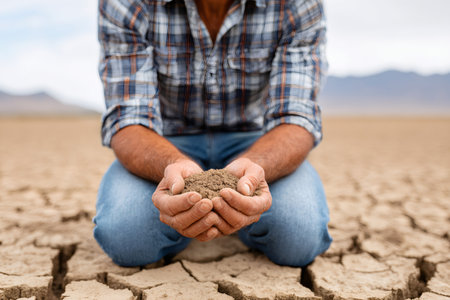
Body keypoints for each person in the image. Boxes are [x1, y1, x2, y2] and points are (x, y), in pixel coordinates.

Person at [93, 0, 332, 268]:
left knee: (298, 235)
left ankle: (234, 221)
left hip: (256, 141)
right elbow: (129, 119)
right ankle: (193, 223)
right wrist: (172, 165)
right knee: (127, 236)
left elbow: (296, 116)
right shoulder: (127, 3)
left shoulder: (296, 4)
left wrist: (254, 170)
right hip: (164, 141)